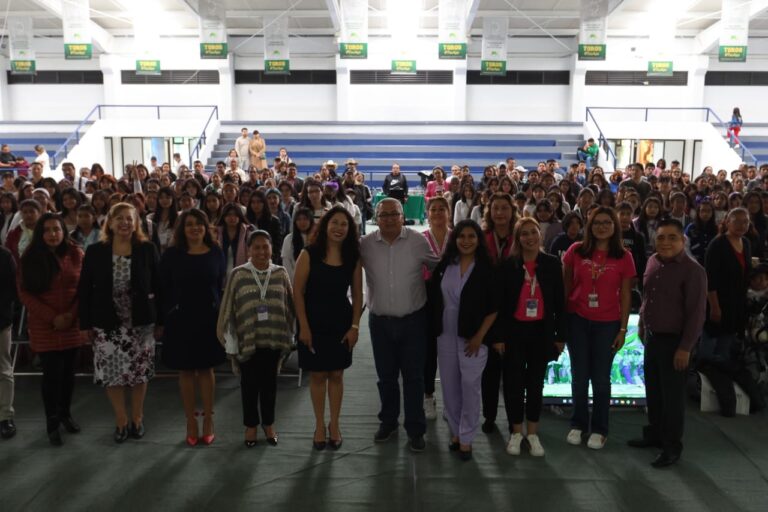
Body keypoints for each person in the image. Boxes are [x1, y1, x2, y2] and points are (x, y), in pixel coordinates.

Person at [78, 203, 161, 444]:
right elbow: (84, 290)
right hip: (107, 322)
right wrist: (85, 324)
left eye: (129, 219)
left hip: (141, 322)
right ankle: (121, 420)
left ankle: (137, 417)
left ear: (136, 223)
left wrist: (161, 320)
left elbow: (159, 286)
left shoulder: (147, 248)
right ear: (110, 222)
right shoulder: (95, 251)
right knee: (112, 373)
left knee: (138, 372)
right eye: (120, 218)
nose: (125, 223)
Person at [361, 198, 439, 452]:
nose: (389, 219)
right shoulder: (366, 244)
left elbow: (438, 267)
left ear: (402, 215)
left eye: (394, 214)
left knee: (414, 378)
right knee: (386, 377)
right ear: (376, 217)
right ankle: (388, 422)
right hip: (379, 322)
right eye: (384, 215)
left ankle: (415, 429)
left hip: (414, 320)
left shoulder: (418, 241)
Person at [629, 218, 707, 468]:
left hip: (676, 342)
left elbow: (696, 314)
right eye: (661, 237)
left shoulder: (693, 270)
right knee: (653, 391)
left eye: (672, 237)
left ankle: (671, 446)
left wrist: (685, 347)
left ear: (682, 240)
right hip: (652, 337)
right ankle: (654, 434)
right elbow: (646, 297)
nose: (665, 242)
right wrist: (642, 325)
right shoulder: (653, 262)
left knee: (672, 398)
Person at [562, 206, 635, 450]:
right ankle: (578, 423)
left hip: (608, 324)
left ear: (614, 226)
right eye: (596, 222)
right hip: (578, 321)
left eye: (606, 222)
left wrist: (623, 329)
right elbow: (566, 287)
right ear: (589, 226)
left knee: (601, 379)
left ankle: (600, 429)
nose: (601, 226)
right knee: (579, 377)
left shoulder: (624, 256)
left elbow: (626, 295)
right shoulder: (576, 251)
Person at [427, 220, 498, 460]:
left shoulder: (486, 269)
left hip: (473, 335)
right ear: (454, 239)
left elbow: (494, 308)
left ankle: (467, 437)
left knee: (470, 387)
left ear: (478, 240)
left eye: (471, 236)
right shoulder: (445, 265)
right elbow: (434, 296)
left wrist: (479, 337)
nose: (466, 241)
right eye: (461, 236)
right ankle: (455, 432)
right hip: (445, 332)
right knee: (449, 386)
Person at [218, 230, 296, 447]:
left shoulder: (280, 273)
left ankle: (269, 424)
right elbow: (230, 310)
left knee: (270, 385)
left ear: (272, 248)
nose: (262, 251)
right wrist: (231, 341)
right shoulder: (238, 274)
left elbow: (288, 306)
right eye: (256, 247)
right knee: (249, 385)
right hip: (247, 339)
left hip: (273, 339)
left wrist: (289, 333)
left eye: (265, 247)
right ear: (249, 250)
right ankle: (251, 425)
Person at [495, 218, 566, 457]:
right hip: (514, 332)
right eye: (523, 234)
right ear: (518, 239)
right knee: (513, 383)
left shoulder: (553, 264)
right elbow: (501, 306)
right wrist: (499, 336)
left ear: (540, 235)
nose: (529, 238)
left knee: (536, 383)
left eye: (533, 232)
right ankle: (516, 432)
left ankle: (533, 434)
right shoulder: (508, 266)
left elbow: (559, 303)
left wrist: (559, 335)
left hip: (541, 332)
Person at [294, 206, 363, 451]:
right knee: (318, 375)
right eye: (335, 222)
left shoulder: (352, 256)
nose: (339, 228)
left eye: (344, 224)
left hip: (340, 323)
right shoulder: (309, 253)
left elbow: (357, 294)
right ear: (325, 225)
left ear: (350, 229)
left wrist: (354, 326)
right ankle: (319, 425)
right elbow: (297, 293)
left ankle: (334, 424)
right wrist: (303, 326)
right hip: (312, 323)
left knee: (336, 374)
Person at [160, 210, 226, 446]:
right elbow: (163, 289)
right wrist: (165, 317)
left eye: (199, 223)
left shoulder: (216, 252)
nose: (195, 228)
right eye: (189, 224)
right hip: (181, 319)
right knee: (186, 371)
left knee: (207, 370)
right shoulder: (171, 255)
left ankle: (208, 419)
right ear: (182, 228)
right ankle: (190, 421)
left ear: (206, 227)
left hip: (209, 319)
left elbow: (219, 287)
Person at [18, 213, 84, 445]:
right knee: (51, 376)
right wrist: (52, 317)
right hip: (45, 326)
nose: (53, 234)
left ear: (63, 231)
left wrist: (70, 316)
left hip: (71, 324)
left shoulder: (76, 253)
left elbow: (84, 287)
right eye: (47, 230)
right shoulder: (30, 256)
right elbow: (24, 293)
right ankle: (52, 421)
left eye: (57, 229)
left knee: (68, 375)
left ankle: (65, 413)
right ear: (40, 233)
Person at [480, 193, 518, 433]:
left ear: (512, 211)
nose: (500, 213)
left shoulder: (522, 236)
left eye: (505, 208)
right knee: (490, 370)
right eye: (496, 209)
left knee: (513, 371)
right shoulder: (483, 239)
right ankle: (490, 416)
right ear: (490, 212)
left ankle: (515, 417)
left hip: (516, 312)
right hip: (488, 311)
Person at [701, 208, 752, 363]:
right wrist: (715, 306)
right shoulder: (718, 244)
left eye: (745, 222)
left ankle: (722, 373)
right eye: (736, 221)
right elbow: (710, 278)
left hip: (736, 302)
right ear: (727, 222)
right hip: (718, 301)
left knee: (726, 342)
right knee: (709, 345)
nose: (741, 225)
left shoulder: (746, 243)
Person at [422, 197, 451, 421]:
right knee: (429, 352)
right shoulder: (420, 239)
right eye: (434, 209)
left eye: (442, 209)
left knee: (450, 354)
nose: (438, 213)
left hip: (453, 302)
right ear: (427, 213)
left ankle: (452, 400)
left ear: (448, 212)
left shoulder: (457, 238)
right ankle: (428, 396)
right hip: (428, 302)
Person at [0, 245, 17, 439]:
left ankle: (5, 417)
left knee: (3, 370)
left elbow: (12, 290)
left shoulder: (4, 256)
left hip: (0, 322)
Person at [280, 207, 314, 282]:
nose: (302, 222)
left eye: (305, 219)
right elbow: (286, 263)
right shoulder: (289, 239)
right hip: (294, 281)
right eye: (299, 219)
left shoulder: (316, 239)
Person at [217, 203, 252, 275]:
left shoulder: (247, 233)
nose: (232, 218)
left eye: (235, 215)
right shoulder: (217, 232)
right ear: (224, 216)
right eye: (229, 214)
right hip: (220, 273)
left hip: (242, 273)